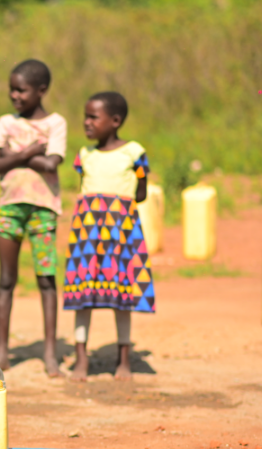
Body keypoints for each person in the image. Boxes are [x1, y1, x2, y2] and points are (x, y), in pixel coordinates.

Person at [64, 91, 154, 382]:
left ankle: (123, 361)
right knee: (82, 295)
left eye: (93, 117)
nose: (86, 122)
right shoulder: (85, 155)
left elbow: (141, 193)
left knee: (122, 295)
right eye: (85, 116)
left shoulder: (134, 153)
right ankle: (81, 360)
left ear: (115, 121)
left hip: (121, 236)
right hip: (87, 237)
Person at [0, 59, 67, 377]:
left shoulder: (56, 123)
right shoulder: (6, 122)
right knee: (6, 280)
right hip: (10, 209)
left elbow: (52, 164)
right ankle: (3, 352)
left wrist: (12, 157)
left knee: (46, 280)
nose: (14, 95)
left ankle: (50, 355)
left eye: (21, 90)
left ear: (41, 91)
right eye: (12, 89)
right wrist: (30, 152)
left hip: (42, 210)